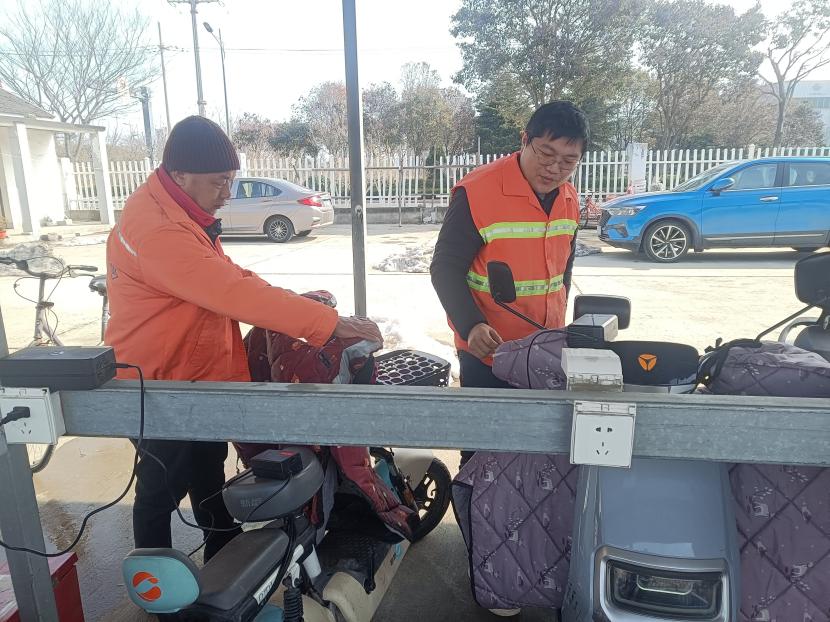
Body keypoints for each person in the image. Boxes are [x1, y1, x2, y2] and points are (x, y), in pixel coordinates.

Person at [105, 115, 382, 561]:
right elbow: (232, 293)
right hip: (158, 379)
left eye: (231, 180)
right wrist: (328, 324)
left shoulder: (180, 211)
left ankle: (222, 551)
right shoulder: (159, 228)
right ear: (181, 175)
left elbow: (233, 276)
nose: (227, 193)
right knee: (163, 484)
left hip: (194, 374)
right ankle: (153, 578)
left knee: (207, 467)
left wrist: (304, 307)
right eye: (220, 182)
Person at [430, 101, 589, 466]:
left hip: (545, 350)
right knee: (483, 454)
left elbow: (564, 266)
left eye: (568, 161)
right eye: (545, 153)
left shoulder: (569, 198)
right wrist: (471, 324)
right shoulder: (478, 191)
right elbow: (445, 268)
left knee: (537, 453)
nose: (554, 168)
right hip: (490, 351)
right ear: (524, 140)